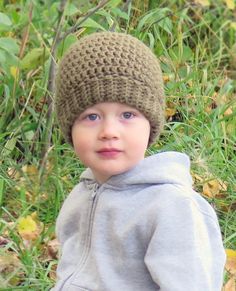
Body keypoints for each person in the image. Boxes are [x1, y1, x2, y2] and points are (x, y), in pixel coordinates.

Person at [52, 31, 226, 291]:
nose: (109, 131)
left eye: (127, 115)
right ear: (69, 128)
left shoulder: (170, 207)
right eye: (91, 117)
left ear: (151, 124)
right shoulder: (80, 196)